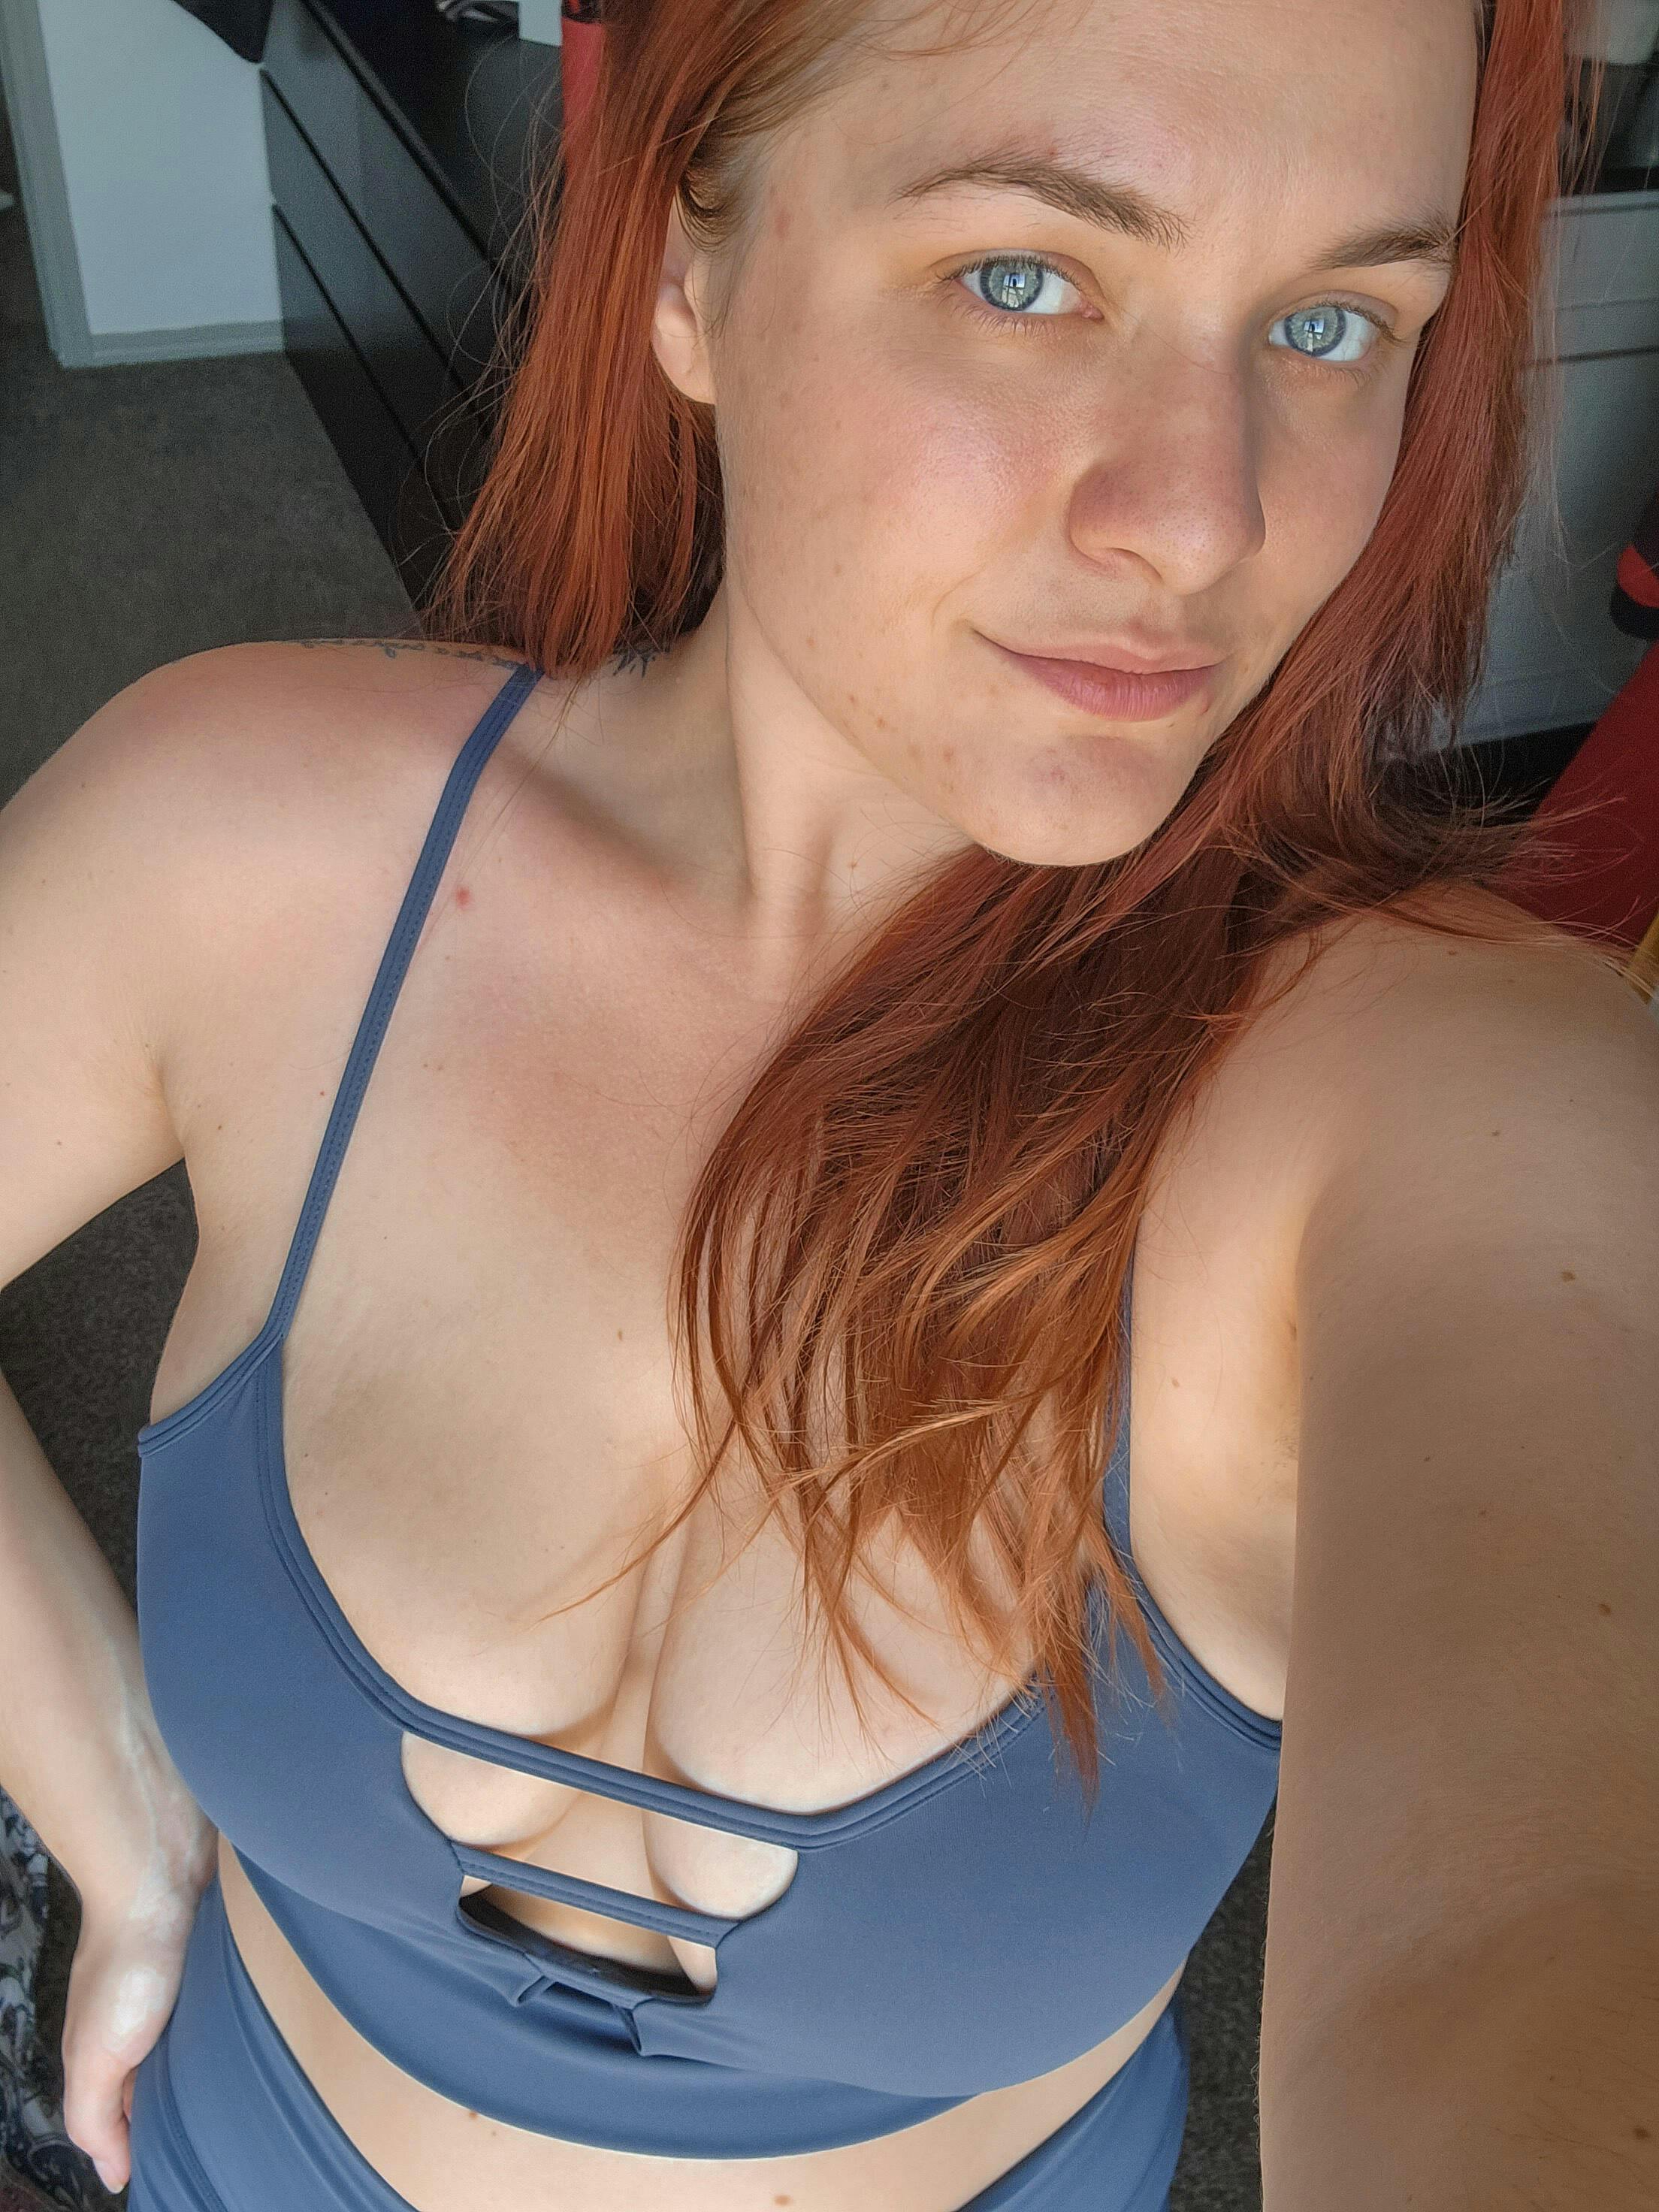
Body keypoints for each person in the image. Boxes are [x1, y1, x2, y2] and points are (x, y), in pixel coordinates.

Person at [2, 1, 1654, 2208]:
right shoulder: (250, 846)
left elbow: (1535, 1949)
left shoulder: (1449, 1104)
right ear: (689, 267)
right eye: (1025, 276)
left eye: (1333, 321)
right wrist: (114, 1809)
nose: (1204, 517)